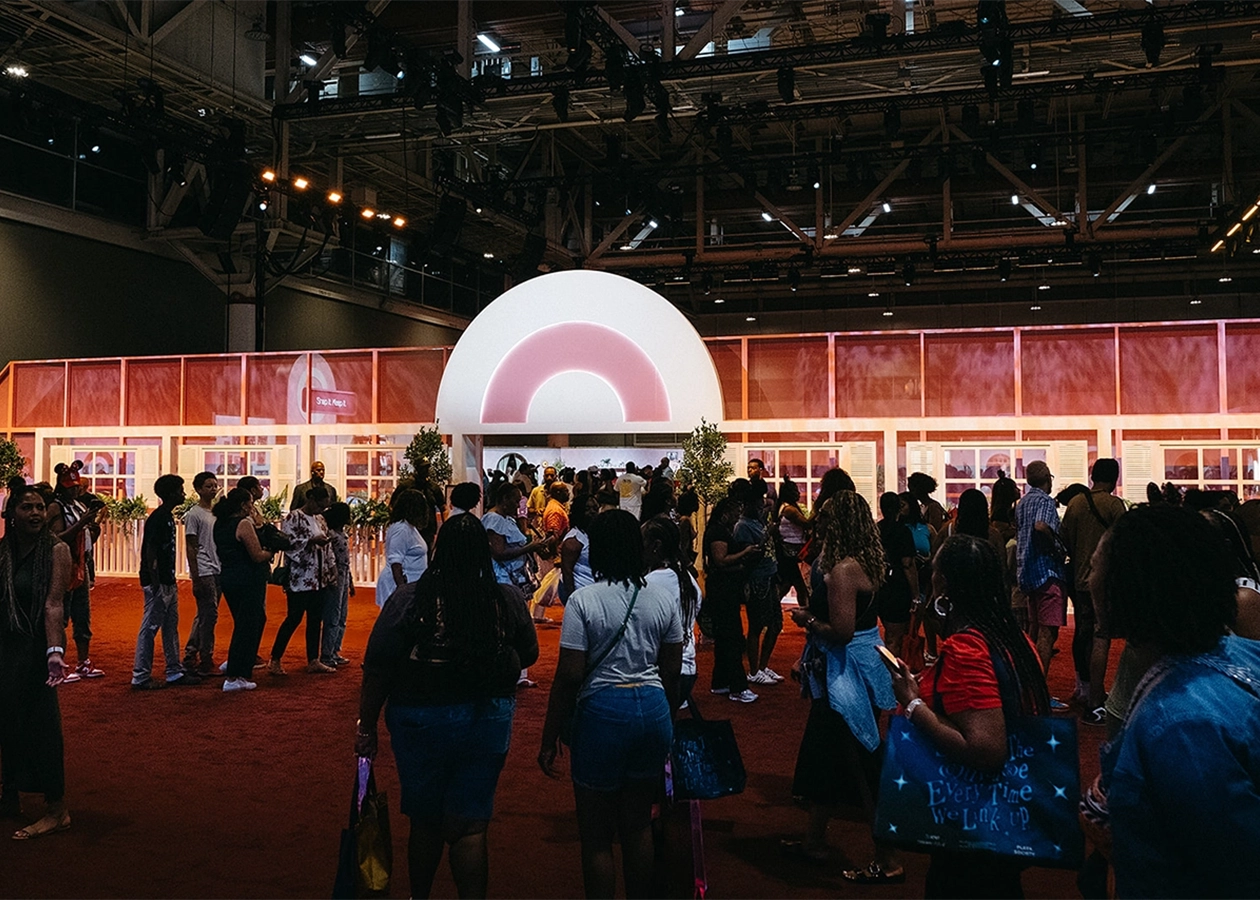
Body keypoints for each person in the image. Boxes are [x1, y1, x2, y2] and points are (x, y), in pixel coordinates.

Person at [356, 514, 539, 900]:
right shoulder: (504, 599)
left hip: (420, 715)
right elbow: (528, 654)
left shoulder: (410, 599)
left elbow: (378, 668)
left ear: (438, 550)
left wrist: (366, 726)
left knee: (425, 820)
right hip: (486, 716)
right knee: (471, 824)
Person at [1093, 505, 1260, 900]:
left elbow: (1236, 869)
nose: (1087, 578)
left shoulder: (1179, 725)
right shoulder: (1238, 653)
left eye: (1096, 567)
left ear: (1128, 588)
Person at [886, 534, 1051, 898]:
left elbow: (985, 747)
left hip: (970, 820)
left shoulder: (967, 648)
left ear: (944, 584)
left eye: (935, 571)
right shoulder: (1016, 639)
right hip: (1009, 811)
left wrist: (913, 705)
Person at [538, 509, 683, 900]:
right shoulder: (662, 597)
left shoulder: (584, 601)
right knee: (637, 824)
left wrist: (550, 735)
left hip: (603, 711)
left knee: (597, 834)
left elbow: (569, 675)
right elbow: (671, 669)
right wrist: (666, 719)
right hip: (652, 707)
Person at [783, 490, 900, 880]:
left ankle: (888, 858)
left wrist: (807, 620)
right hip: (861, 667)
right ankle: (815, 839)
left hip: (847, 674)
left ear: (839, 524)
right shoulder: (865, 563)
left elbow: (842, 631)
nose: (818, 522)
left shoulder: (843, 570)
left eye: (825, 518)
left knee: (860, 763)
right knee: (834, 758)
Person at [1, 484, 73, 840]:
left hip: (36, 649)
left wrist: (54, 651)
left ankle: (57, 810)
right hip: (6, 647)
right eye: (27, 507)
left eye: (40, 507)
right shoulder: (4, 551)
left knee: (42, 727)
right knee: (8, 722)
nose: (35, 513)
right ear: (11, 514)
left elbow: (53, 604)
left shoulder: (57, 550)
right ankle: (9, 795)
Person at [1059, 459, 1127, 725]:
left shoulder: (1076, 503)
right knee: (1101, 636)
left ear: (1092, 476)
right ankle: (1096, 701)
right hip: (1104, 581)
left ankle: (1085, 688)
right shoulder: (1114, 505)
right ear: (1114, 479)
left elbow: (1065, 540)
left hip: (1079, 579)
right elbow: (1124, 541)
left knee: (1083, 631)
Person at [132, 475, 201, 690]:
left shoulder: (165, 516)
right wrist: (155, 583)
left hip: (166, 580)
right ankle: (140, 675)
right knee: (150, 627)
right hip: (159, 582)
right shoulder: (160, 518)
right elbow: (151, 551)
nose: (183, 494)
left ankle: (174, 670)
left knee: (170, 626)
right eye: (180, 490)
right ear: (171, 494)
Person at [483, 482, 553, 687]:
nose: (518, 505)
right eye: (515, 501)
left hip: (515, 578)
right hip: (502, 579)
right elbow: (499, 552)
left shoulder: (507, 519)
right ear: (504, 499)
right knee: (509, 623)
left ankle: (519, 672)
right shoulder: (493, 520)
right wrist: (530, 547)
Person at [1015, 460, 1068, 708]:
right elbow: (1040, 526)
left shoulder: (1023, 502)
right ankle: (1039, 693)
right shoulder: (1046, 501)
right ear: (1048, 478)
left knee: (1034, 633)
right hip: (1047, 571)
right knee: (1048, 634)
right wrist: (1056, 549)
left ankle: (1027, 690)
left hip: (1027, 572)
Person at [269, 484, 337, 676]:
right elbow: (288, 544)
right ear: (311, 499)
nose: (321, 510)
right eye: (320, 505)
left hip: (319, 577)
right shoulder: (294, 517)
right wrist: (310, 541)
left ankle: (313, 659)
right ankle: (275, 658)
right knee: (293, 618)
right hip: (299, 578)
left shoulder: (320, 519)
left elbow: (328, 547)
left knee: (315, 619)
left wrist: (332, 569)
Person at [214, 488, 275, 692]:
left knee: (247, 623)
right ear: (243, 505)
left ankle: (237, 665)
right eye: (250, 502)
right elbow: (257, 555)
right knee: (247, 626)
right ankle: (235, 675)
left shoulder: (220, 523)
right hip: (247, 579)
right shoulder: (243, 524)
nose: (252, 506)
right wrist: (271, 552)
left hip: (229, 577)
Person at [46, 461, 102, 682]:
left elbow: (86, 538)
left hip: (81, 563)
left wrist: (93, 527)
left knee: (82, 615)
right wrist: (82, 524)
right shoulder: (55, 507)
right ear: (61, 486)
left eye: (76, 486)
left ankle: (83, 662)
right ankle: (58, 662)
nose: (74, 490)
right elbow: (55, 538)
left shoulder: (78, 505)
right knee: (61, 615)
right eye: (70, 487)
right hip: (64, 565)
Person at [703, 496, 762, 703]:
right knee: (732, 638)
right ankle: (738, 686)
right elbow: (720, 560)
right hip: (723, 591)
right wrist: (745, 553)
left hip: (723, 590)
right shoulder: (718, 532)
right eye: (735, 513)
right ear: (725, 514)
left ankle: (720, 682)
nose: (738, 517)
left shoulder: (720, 531)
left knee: (724, 638)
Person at [642, 515, 701, 709]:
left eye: (643, 541)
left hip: (662, 671)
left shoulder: (652, 582)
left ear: (656, 546)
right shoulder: (687, 578)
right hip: (687, 667)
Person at [734, 483, 783, 686]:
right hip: (757, 579)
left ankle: (763, 666)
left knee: (776, 624)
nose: (762, 504)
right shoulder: (743, 526)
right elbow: (748, 556)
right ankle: (754, 670)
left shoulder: (757, 521)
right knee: (756, 625)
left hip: (769, 576)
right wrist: (767, 535)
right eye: (758, 502)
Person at [181, 472, 223, 678]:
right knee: (209, 615)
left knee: (205, 614)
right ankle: (205, 657)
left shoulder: (217, 513)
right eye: (208, 486)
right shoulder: (194, 515)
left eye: (215, 485)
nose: (213, 489)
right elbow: (191, 546)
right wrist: (195, 575)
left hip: (218, 568)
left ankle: (191, 653)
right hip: (205, 569)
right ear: (198, 489)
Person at [875, 491, 916, 657]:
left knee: (889, 633)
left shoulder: (876, 529)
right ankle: (891, 669)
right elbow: (908, 564)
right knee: (895, 637)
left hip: (879, 583)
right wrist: (915, 594)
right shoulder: (903, 532)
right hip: (898, 586)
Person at [375, 489, 431, 608]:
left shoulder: (409, 527)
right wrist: (402, 591)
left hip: (411, 584)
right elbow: (396, 563)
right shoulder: (402, 529)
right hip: (399, 585)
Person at [319, 501, 354, 668]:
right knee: (333, 614)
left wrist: (350, 581)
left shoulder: (341, 534)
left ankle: (334, 649)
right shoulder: (332, 535)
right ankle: (327, 653)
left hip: (344, 574)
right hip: (335, 575)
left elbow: (347, 561)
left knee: (342, 615)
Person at [776, 478, 811, 604]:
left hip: (789, 550)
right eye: (795, 491)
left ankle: (774, 607)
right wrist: (817, 512)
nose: (799, 493)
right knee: (799, 585)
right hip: (792, 551)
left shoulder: (784, 507)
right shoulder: (790, 510)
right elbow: (807, 524)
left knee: (789, 583)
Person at [560, 492, 597, 603]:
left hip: (592, 588)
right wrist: (573, 599)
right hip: (579, 589)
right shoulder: (574, 540)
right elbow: (567, 572)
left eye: (595, 508)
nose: (592, 512)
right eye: (587, 509)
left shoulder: (592, 534)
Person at [747, 458, 778, 523]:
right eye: (748, 468)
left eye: (753, 468)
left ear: (761, 470)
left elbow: (774, 509)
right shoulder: (745, 487)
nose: (749, 470)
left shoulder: (770, 489)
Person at [528, 466, 559, 532]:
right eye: (547, 475)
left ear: (556, 476)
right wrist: (536, 511)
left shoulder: (560, 492)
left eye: (552, 475)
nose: (549, 478)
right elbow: (528, 508)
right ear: (543, 476)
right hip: (538, 529)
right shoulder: (536, 490)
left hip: (554, 529)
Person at [676, 487, 700, 571]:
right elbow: (683, 545)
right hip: (685, 561)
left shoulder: (683, 519)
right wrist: (689, 564)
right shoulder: (685, 521)